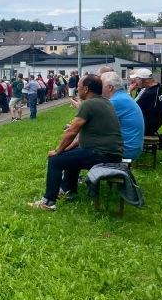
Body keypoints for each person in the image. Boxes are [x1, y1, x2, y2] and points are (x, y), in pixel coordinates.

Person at [28, 74, 124, 211]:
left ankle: (48, 202)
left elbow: (71, 132)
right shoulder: (104, 101)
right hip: (112, 152)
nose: (77, 90)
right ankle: (68, 190)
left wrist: (57, 151)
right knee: (71, 155)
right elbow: (82, 137)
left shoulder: (89, 104)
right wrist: (67, 148)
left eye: (78, 88)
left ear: (86, 89)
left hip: (103, 154)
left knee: (55, 161)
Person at [101, 72, 145, 160]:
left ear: (109, 87)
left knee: (72, 155)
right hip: (130, 148)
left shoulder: (116, 101)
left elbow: (95, 124)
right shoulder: (122, 97)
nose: (98, 87)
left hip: (124, 151)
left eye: (100, 85)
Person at [131, 68, 162, 135]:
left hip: (147, 128)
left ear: (141, 80)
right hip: (153, 124)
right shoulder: (157, 88)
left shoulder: (149, 94)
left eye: (136, 79)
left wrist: (129, 92)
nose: (135, 82)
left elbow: (130, 109)